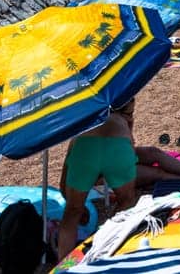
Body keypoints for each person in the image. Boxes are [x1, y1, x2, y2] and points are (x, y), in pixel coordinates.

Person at [58, 101, 138, 256]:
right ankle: (109, 242)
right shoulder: (124, 93)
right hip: (119, 143)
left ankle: (63, 266)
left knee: (71, 214)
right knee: (127, 202)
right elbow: (130, 138)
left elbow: (64, 180)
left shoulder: (85, 101)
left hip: (86, 145)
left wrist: (73, 203)